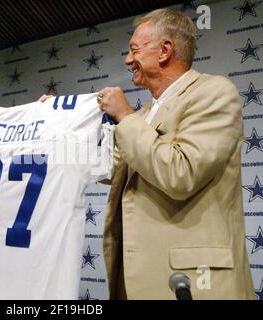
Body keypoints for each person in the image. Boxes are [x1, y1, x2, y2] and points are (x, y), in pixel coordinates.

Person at [97, 9, 255, 299]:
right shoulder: (142, 114)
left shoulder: (215, 93)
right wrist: (58, 120)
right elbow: (107, 168)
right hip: (133, 281)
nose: (127, 60)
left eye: (134, 50)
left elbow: (180, 173)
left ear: (164, 51)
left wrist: (125, 116)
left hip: (190, 284)